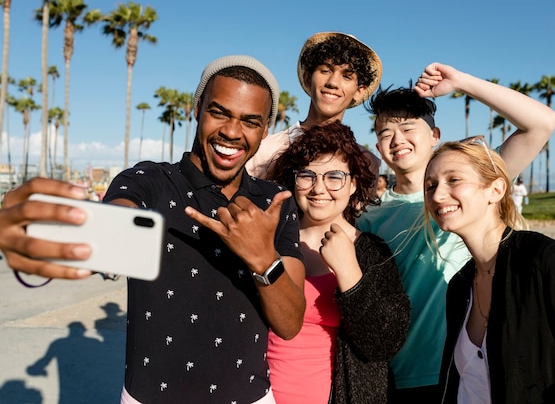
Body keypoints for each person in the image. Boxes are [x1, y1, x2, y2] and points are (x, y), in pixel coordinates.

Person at [0, 55, 306, 404]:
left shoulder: (275, 202)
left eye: (250, 121)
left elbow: (290, 322)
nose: (232, 132)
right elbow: (114, 233)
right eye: (219, 112)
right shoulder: (148, 181)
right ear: (197, 109)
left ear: (265, 129)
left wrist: (263, 258)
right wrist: (47, 226)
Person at [357, 62, 555, 403]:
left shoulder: (470, 187)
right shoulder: (370, 217)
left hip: (473, 367)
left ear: (434, 136)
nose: (397, 140)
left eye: (408, 128)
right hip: (401, 374)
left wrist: (462, 82)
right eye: (384, 133)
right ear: (378, 148)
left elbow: (541, 123)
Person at [423, 139, 555, 403]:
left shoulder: (546, 261)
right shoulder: (460, 285)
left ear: (495, 190)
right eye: (430, 185)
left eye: (453, 180)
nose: (437, 195)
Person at [265, 121, 410, 404]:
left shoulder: (371, 251)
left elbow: (385, 342)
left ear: (353, 183)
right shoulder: (270, 240)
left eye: (334, 177)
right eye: (306, 175)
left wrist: (350, 275)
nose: (319, 188)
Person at [247, 32, 382, 179]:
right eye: (325, 70)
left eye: (347, 76)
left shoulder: (366, 164)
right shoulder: (264, 150)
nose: (333, 82)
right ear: (307, 78)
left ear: (359, 91)